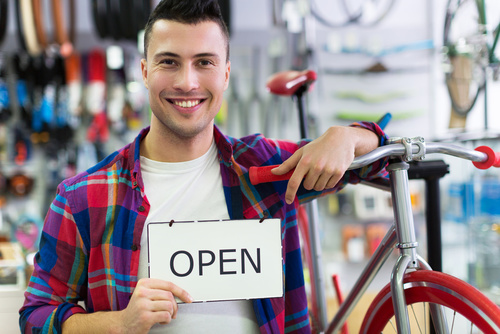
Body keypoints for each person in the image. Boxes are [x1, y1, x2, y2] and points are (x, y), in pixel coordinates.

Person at [19, 0, 388, 333]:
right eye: (169, 62)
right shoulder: (84, 196)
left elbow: (379, 162)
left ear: (225, 74)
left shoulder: (263, 168)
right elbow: (36, 317)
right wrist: (119, 323)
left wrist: (350, 137)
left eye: (204, 62)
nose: (187, 82)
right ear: (145, 71)